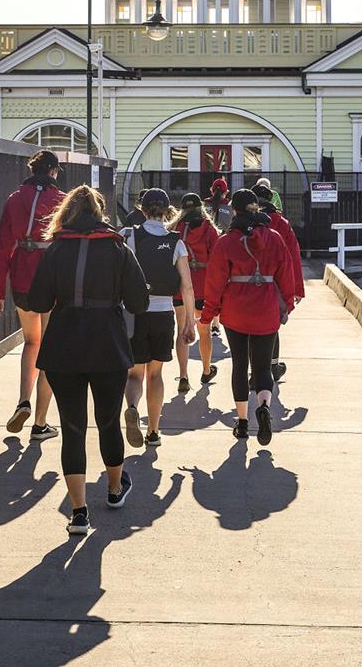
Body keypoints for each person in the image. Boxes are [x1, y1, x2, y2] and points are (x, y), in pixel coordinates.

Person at [27, 184, 149, 535]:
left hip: (63, 346)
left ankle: (79, 512)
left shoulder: (55, 249)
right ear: (99, 214)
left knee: (73, 428)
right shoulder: (117, 247)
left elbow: (37, 301)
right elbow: (139, 301)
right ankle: (114, 489)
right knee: (108, 422)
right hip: (107, 345)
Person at [200, 188, 294, 445]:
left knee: (240, 366)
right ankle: (263, 406)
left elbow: (215, 282)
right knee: (263, 366)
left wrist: (208, 314)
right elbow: (286, 273)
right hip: (266, 310)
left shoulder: (226, 242)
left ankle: (242, 423)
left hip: (235, 312)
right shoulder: (274, 237)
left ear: (233, 210)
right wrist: (287, 303)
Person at [0, 149, 64, 440]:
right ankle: (40, 424)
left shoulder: (14, 198)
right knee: (50, 350)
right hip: (50, 280)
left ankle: (23, 401)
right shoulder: (61, 200)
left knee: (31, 342)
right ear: (54, 171)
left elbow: (2, 246)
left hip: (21, 277)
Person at [121, 188, 196, 448]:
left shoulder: (129, 236)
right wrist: (189, 321)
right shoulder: (177, 242)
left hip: (135, 314)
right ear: (167, 211)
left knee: (134, 375)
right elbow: (187, 286)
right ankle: (153, 431)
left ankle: (131, 406)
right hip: (164, 313)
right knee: (156, 375)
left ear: (142, 210)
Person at [254, 183, 304, 382]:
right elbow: (293, 255)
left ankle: (256, 370)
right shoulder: (281, 223)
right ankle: (272, 367)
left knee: (250, 327)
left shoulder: (243, 222)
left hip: (247, 280)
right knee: (272, 326)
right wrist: (296, 289)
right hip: (275, 282)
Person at [170, 193, 220, 392]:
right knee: (203, 330)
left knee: (182, 328)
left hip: (180, 286)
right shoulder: (209, 229)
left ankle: (183, 375)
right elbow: (217, 260)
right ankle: (206, 370)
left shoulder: (174, 229)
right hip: (203, 287)